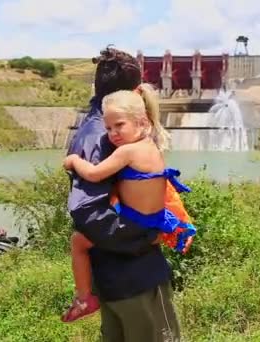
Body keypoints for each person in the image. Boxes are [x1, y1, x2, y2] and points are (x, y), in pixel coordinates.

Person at [64, 47, 183, 341]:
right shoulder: (103, 137)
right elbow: (86, 211)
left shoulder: (98, 129)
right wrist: (142, 236)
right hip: (135, 278)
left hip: (117, 277)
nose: (114, 131)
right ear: (135, 93)